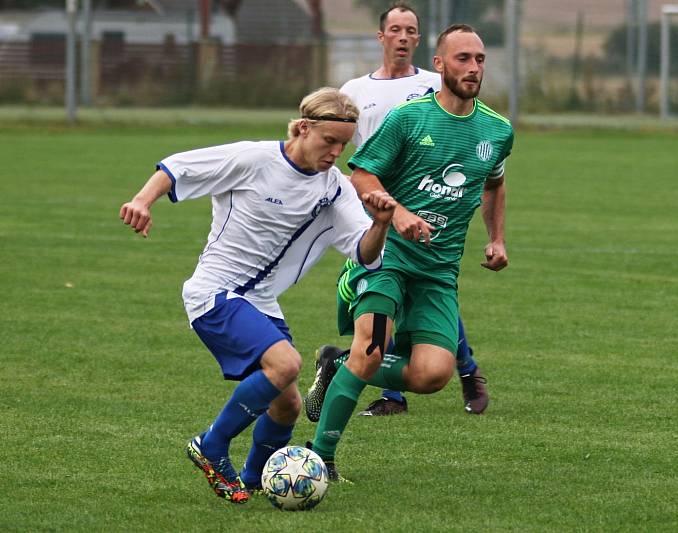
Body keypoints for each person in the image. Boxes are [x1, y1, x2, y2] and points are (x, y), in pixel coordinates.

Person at [118, 87, 396, 503]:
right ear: (303, 128)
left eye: (344, 143)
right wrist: (142, 201)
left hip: (261, 301)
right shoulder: (254, 159)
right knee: (287, 364)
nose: (337, 151)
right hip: (215, 292)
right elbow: (177, 169)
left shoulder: (334, 187)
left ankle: (252, 479)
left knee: (288, 406)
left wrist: (381, 224)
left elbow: (363, 252)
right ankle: (211, 446)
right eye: (329, 140)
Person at [305, 24, 514, 482]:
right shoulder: (409, 118)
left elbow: (494, 184)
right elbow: (361, 174)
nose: (474, 67)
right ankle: (320, 457)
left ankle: (334, 363)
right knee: (373, 350)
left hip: (438, 271)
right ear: (439, 64)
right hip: (387, 258)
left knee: (431, 375)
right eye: (463, 58)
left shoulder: (497, 130)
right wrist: (395, 212)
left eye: (480, 59)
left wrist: (496, 238)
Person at [280, 2, 489, 418]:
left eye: (411, 30)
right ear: (382, 37)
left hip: (429, 206)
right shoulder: (356, 90)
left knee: (425, 291)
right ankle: (393, 387)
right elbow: (334, 141)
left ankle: (464, 370)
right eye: (396, 29)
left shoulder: (436, 85)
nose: (404, 37)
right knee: (384, 294)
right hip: (372, 209)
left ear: (419, 40)